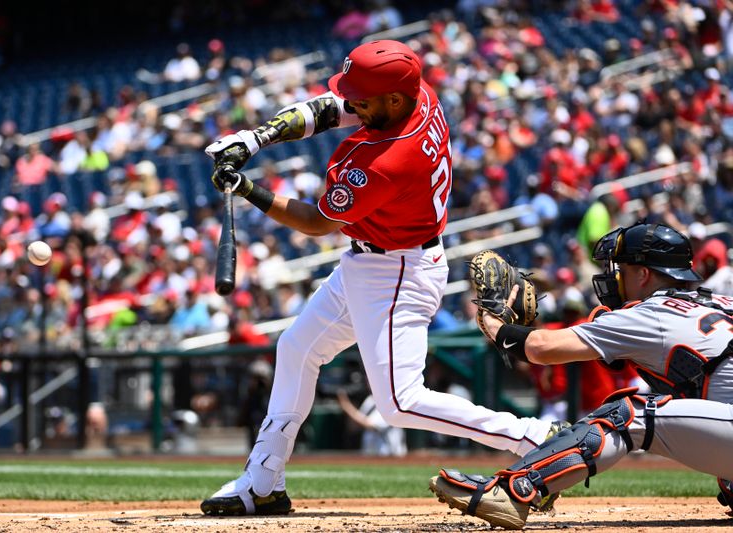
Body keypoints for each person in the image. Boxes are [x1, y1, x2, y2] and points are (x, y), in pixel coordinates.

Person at [199, 39, 563, 517]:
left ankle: (537, 438)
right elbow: (332, 108)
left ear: (393, 99)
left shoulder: (385, 161)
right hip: (374, 262)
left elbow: (316, 223)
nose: (352, 103)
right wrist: (257, 137)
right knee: (296, 349)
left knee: (399, 402)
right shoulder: (417, 96)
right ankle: (263, 481)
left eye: (363, 98)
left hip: (395, 272)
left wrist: (244, 186)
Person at [429, 221, 733, 529]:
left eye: (622, 268)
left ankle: (515, 490)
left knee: (627, 415)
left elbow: (541, 348)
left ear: (643, 274)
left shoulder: (653, 313)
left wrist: (494, 324)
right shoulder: (722, 303)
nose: (613, 276)